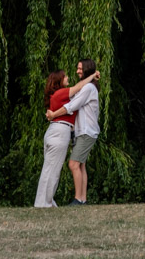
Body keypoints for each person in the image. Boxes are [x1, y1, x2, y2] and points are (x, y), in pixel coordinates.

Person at [34, 65, 100, 208]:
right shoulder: (61, 93)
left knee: (50, 169)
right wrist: (92, 75)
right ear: (59, 81)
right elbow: (78, 87)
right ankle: (44, 203)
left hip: (57, 132)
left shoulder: (58, 95)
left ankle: (46, 202)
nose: (68, 77)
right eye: (65, 76)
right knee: (53, 170)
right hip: (60, 132)